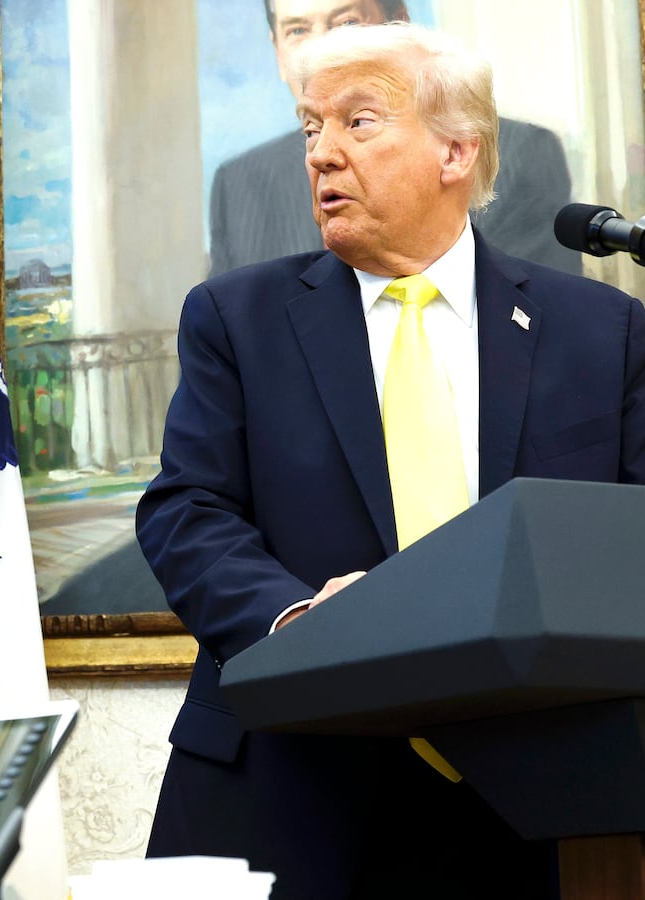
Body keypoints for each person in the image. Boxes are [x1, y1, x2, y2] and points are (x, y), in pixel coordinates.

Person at [138, 23, 645, 900]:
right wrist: (298, 622)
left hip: (532, 802)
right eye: (309, 129)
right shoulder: (237, 318)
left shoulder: (598, 330)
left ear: (457, 151)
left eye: (358, 122)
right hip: (292, 785)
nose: (322, 155)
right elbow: (187, 510)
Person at [207, 0, 580, 276]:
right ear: (277, 51)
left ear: (399, 23)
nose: (321, 50)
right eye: (298, 31)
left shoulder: (519, 154)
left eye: (347, 22)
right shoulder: (238, 186)